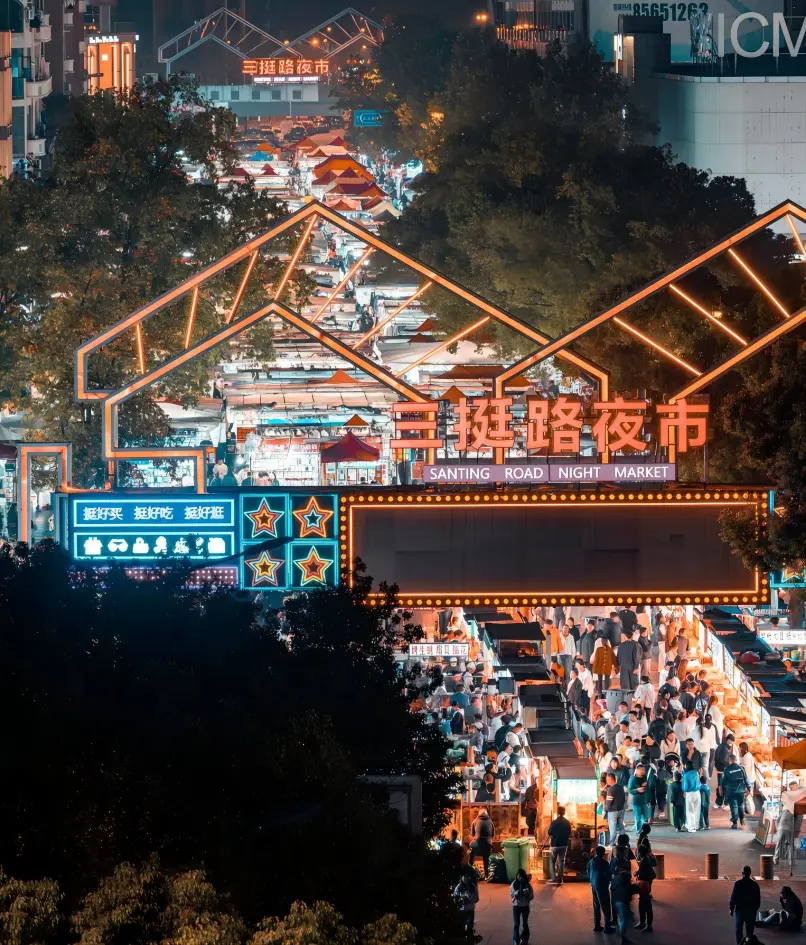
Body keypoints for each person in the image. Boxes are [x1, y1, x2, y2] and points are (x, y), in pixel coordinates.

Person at [610, 839, 635, 945]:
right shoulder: (626, 879)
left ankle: (614, 921)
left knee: (620, 916)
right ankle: (622, 937)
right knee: (623, 918)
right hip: (622, 899)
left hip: (615, 898)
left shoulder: (615, 878)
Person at [774, 780, 804, 865]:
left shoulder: (788, 805)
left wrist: (778, 827)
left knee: (780, 843)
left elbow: (778, 819)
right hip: (788, 826)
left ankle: (777, 859)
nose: (791, 790)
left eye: (792, 787)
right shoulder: (793, 805)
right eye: (790, 788)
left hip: (783, 826)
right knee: (789, 844)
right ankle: (790, 861)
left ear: (796, 785)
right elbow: (798, 820)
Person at [730, 866, 761, 944]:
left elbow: (734, 897)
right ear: (750, 873)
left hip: (740, 911)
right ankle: (748, 943)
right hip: (751, 912)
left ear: (742, 873)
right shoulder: (755, 885)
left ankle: (740, 943)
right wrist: (755, 910)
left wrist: (732, 909)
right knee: (749, 932)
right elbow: (758, 900)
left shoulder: (738, 884)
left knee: (739, 930)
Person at [588, 844, 615, 933]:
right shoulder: (604, 863)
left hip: (594, 886)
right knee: (606, 907)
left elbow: (588, 872)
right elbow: (609, 875)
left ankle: (597, 925)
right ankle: (607, 927)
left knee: (596, 906)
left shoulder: (591, 862)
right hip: (602, 887)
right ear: (603, 854)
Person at [722, 754, 751, 828]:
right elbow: (745, 778)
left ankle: (735, 823)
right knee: (740, 804)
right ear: (735, 760)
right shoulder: (741, 768)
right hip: (741, 789)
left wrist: (722, 788)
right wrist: (748, 788)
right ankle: (742, 819)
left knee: (734, 806)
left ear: (729, 760)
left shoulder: (727, 769)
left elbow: (724, 781)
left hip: (731, 790)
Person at [547, 805, 572, 885]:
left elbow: (549, 832)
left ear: (558, 812)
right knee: (561, 862)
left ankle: (554, 878)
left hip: (555, 844)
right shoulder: (567, 822)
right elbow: (569, 832)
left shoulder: (554, 822)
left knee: (552, 861)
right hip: (564, 844)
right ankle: (560, 879)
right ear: (564, 813)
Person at [634, 843, 657, 933]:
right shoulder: (645, 859)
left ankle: (648, 924)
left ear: (640, 853)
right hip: (645, 885)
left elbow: (644, 872)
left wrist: (637, 873)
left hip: (644, 886)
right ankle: (643, 922)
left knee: (646, 905)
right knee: (643, 905)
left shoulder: (644, 861)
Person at [454, 869, 480, 944]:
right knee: (461, 928)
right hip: (461, 910)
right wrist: (461, 899)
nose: (466, 878)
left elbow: (476, 899)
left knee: (469, 928)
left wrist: (470, 898)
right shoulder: (458, 888)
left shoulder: (473, 887)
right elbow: (455, 898)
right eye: (464, 876)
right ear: (461, 877)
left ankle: (470, 941)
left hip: (470, 910)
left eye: (468, 876)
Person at [510, 868, 534, 944]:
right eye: (518, 876)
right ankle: (515, 940)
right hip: (516, 906)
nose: (520, 878)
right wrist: (515, 895)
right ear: (517, 875)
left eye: (521, 876)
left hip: (525, 906)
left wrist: (527, 895)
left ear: (523, 876)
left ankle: (525, 939)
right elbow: (512, 895)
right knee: (516, 924)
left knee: (525, 923)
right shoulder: (514, 884)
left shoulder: (528, 885)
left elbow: (531, 896)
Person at [628, 762, 652, 837]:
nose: (643, 771)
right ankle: (638, 832)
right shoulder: (633, 778)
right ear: (637, 770)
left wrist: (649, 800)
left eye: (643, 770)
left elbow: (648, 789)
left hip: (645, 801)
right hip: (636, 802)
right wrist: (637, 790)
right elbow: (630, 790)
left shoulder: (645, 777)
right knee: (638, 818)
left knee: (645, 818)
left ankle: (643, 831)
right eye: (641, 770)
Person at [469, 809, 494, 878]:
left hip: (477, 846)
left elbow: (472, 834)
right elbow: (492, 835)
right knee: (486, 858)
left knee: (470, 848)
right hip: (487, 846)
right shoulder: (491, 822)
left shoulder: (475, 821)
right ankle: (486, 875)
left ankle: (470, 867)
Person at [714, 734, 736, 808]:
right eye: (732, 742)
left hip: (720, 770)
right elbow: (723, 760)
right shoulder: (725, 748)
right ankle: (726, 803)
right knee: (725, 787)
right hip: (723, 770)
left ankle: (718, 803)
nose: (732, 744)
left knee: (721, 786)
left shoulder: (721, 746)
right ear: (729, 740)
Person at [605, 771, 627, 845]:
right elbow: (624, 799)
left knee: (612, 828)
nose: (606, 781)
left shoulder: (611, 789)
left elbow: (608, 803)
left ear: (610, 779)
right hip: (621, 810)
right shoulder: (620, 787)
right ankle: (623, 842)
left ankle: (612, 843)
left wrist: (605, 810)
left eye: (607, 779)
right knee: (621, 827)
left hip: (612, 811)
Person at [682, 760, 702, 832]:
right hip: (697, 793)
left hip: (690, 794)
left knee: (690, 811)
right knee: (697, 810)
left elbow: (685, 787)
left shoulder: (686, 775)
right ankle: (696, 825)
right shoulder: (696, 773)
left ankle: (691, 827)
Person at [739, 742, 757, 816]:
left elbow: (746, 768)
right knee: (748, 795)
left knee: (747, 795)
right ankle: (747, 810)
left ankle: (748, 810)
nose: (739, 749)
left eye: (739, 748)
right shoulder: (747, 755)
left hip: (748, 779)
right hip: (750, 779)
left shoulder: (747, 756)